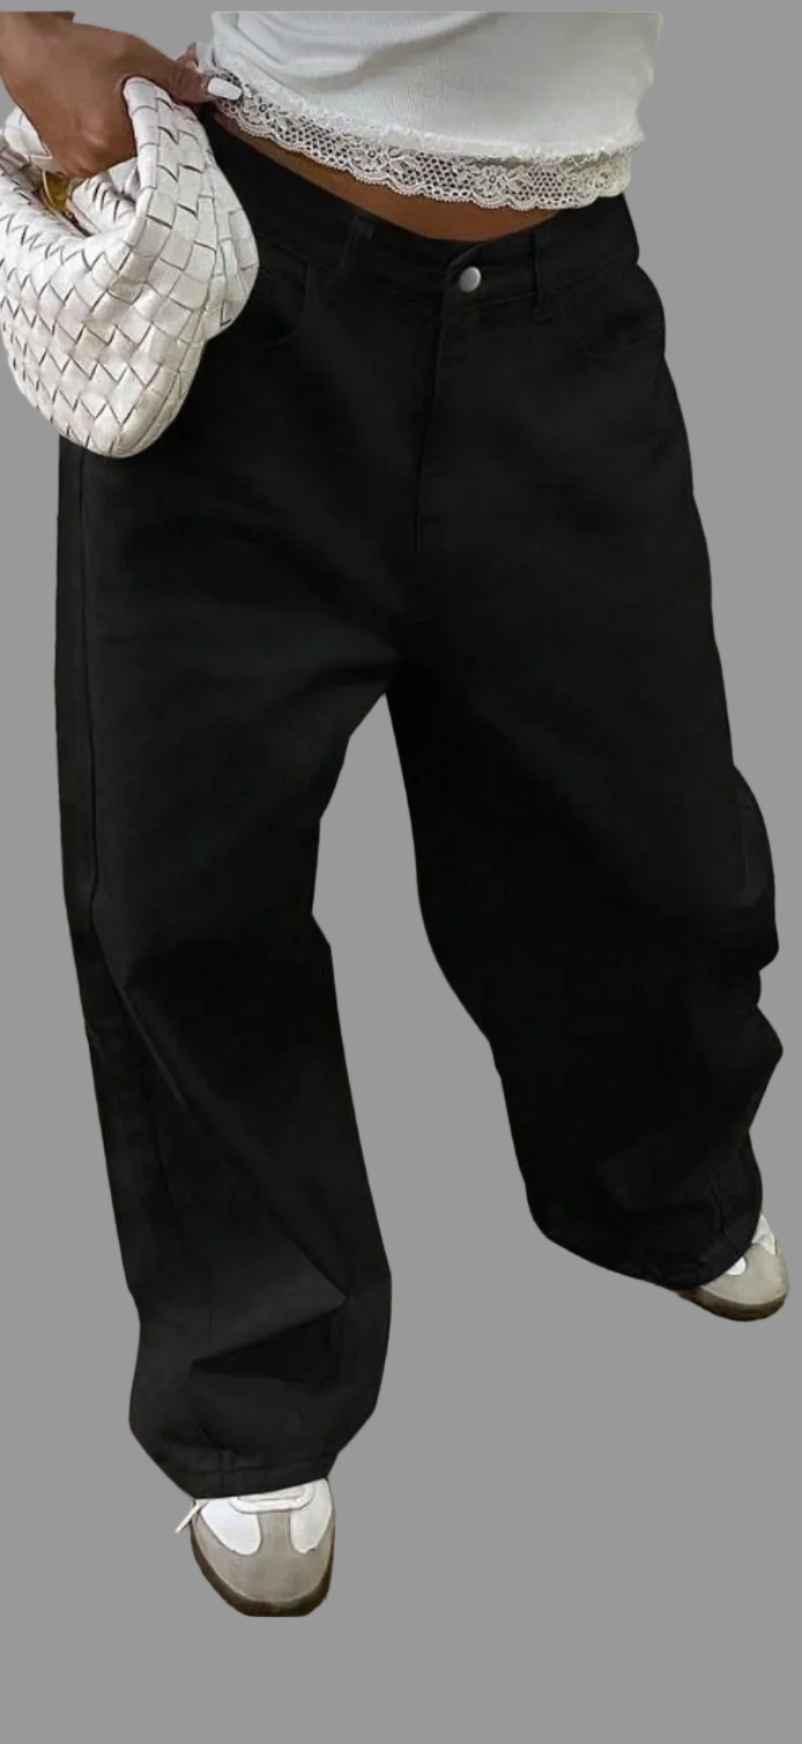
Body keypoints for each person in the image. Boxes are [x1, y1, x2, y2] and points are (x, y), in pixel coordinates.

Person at [0, 10, 789, 1618]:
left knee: (651, 841)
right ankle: (253, 1377)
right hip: (252, 286)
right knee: (186, 889)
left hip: (558, 301)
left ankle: (657, 1179)